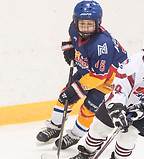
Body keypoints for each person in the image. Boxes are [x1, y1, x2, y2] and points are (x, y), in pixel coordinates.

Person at [66, 26, 144, 159]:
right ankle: (86, 153)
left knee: (128, 137)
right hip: (120, 102)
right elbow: (120, 88)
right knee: (98, 128)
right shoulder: (132, 64)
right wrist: (117, 109)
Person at [36, 0, 127, 149]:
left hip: (108, 79)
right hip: (89, 69)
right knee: (65, 95)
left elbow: (99, 76)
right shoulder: (73, 28)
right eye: (82, 23)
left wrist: (77, 89)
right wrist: (69, 47)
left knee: (88, 108)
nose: (85, 28)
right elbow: (73, 39)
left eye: (90, 24)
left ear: (98, 23)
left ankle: (75, 135)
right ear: (75, 21)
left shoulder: (102, 45)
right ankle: (55, 127)